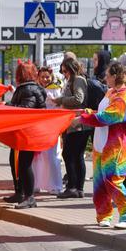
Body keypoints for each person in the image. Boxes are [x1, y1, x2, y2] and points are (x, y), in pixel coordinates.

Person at [72, 62, 126, 228]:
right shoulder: (110, 92)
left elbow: (110, 116)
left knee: (113, 180)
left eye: (107, 75)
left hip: (117, 146)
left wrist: (82, 119)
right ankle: (104, 215)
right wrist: (88, 113)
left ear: (116, 76)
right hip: (100, 143)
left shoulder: (125, 96)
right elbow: (101, 113)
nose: (105, 78)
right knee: (100, 183)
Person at [3, 62, 47, 209]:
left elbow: (26, 109)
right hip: (25, 132)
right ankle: (20, 193)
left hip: (28, 133)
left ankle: (29, 197)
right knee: (16, 163)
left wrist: (7, 105)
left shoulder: (28, 89)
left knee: (24, 164)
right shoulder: (29, 88)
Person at [53, 56, 91, 199]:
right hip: (76, 123)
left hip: (78, 124)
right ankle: (77, 188)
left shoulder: (78, 80)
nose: (64, 74)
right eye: (62, 71)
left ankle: (73, 187)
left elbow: (78, 99)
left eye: (65, 71)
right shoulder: (72, 80)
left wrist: (61, 100)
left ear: (71, 69)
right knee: (76, 155)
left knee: (69, 154)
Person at [32, 66, 64, 195]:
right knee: (37, 157)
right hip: (38, 127)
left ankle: (55, 185)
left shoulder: (56, 90)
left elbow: (61, 107)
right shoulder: (36, 89)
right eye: (43, 77)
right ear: (38, 77)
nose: (45, 79)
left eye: (47, 77)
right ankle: (36, 184)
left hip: (52, 127)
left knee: (52, 157)